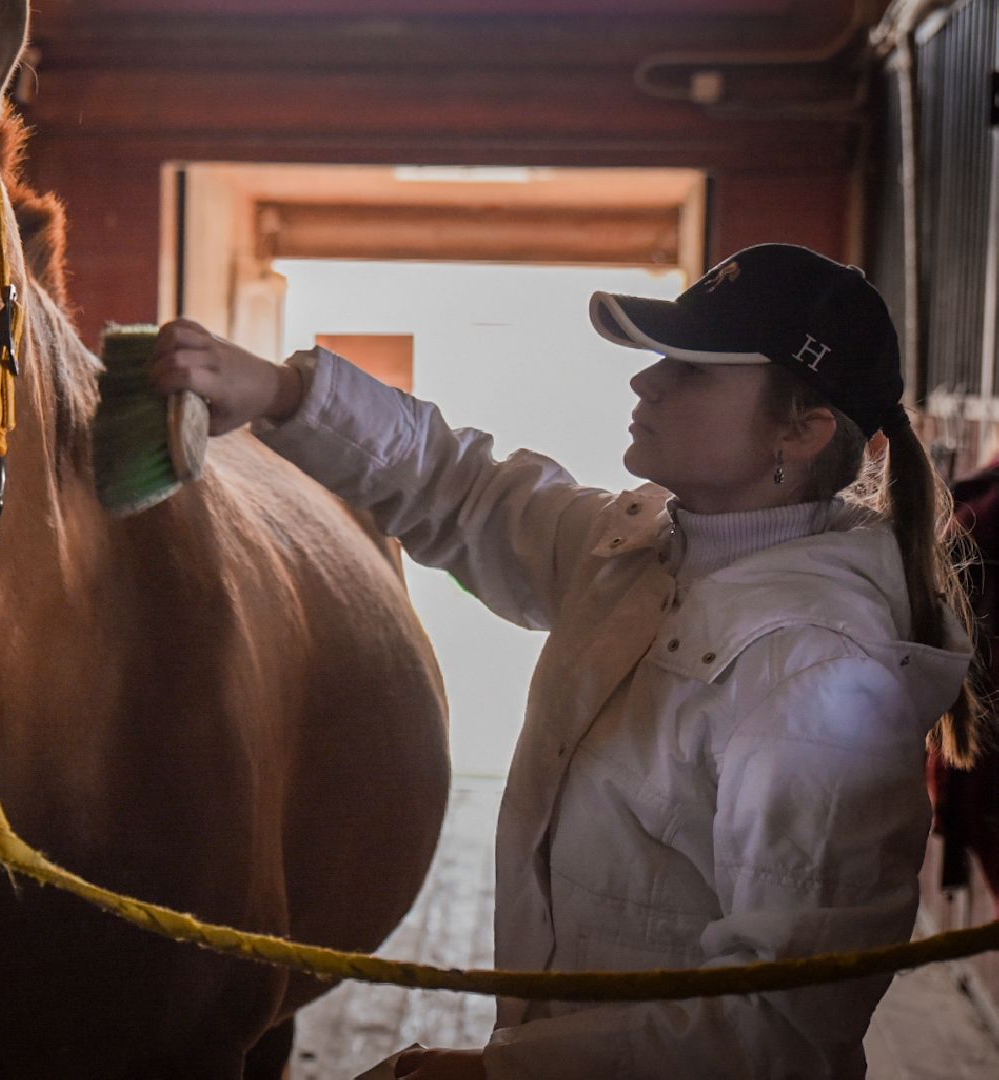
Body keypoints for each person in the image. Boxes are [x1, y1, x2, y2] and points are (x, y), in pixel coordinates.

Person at [149, 244, 989, 1079]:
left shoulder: (822, 678)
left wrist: (494, 1075)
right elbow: (464, 488)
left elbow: (780, 1030)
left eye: (690, 371)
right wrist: (281, 391)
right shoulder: (646, 551)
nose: (643, 383)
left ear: (800, 431)